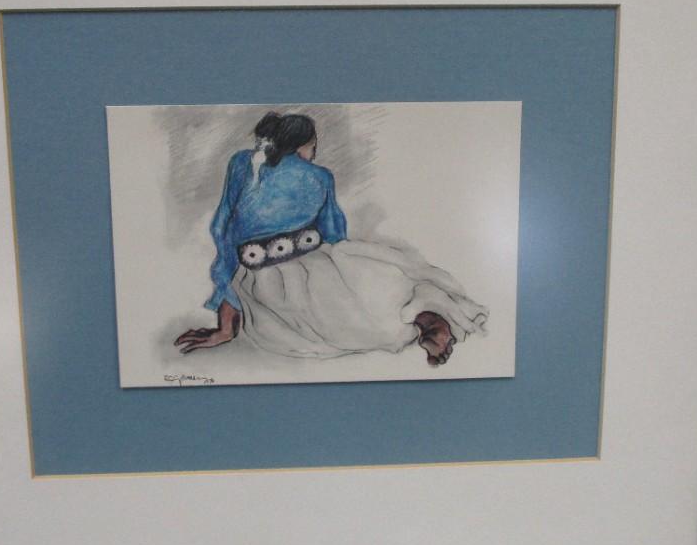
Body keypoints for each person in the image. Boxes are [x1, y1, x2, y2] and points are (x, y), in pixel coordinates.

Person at [174, 112, 487, 365]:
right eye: (313, 146)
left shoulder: (241, 163)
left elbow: (222, 232)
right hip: (310, 266)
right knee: (371, 290)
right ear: (302, 146)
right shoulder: (320, 177)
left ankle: (417, 319)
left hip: (261, 280)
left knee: (332, 328)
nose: (314, 153)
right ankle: (424, 315)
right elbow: (335, 234)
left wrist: (225, 326)